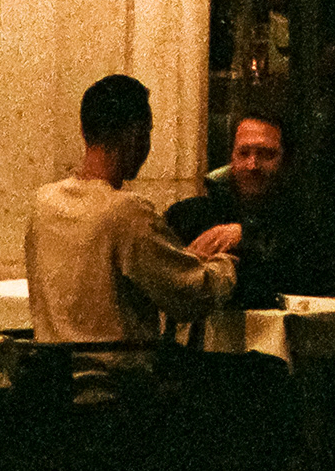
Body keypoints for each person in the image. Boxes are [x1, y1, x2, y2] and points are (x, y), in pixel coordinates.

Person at [26, 73, 232, 346]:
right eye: (148, 132)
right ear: (135, 134)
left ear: (84, 130)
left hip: (56, 378)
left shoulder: (43, 204)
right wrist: (225, 264)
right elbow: (191, 296)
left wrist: (175, 257)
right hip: (117, 381)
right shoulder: (126, 211)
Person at [162, 104, 325, 308]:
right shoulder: (190, 215)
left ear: (285, 160)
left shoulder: (306, 220)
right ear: (231, 156)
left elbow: (309, 278)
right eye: (244, 153)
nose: (252, 165)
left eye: (266, 154)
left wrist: (246, 236)